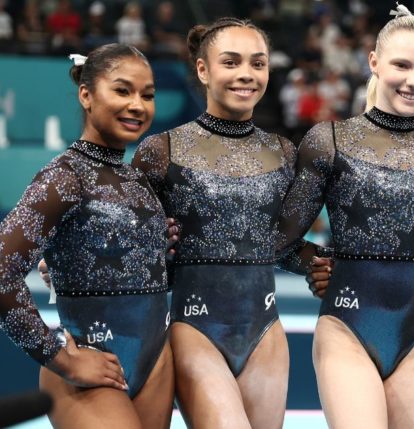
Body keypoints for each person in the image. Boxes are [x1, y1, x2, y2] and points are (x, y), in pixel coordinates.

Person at [277, 4, 414, 428]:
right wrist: (314, 264)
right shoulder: (330, 140)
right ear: (374, 63)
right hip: (348, 327)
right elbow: (279, 238)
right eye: (402, 65)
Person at [132, 17, 314, 429]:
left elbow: (280, 247)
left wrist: (324, 266)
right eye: (231, 62)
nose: (247, 74)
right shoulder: (162, 150)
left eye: (258, 63)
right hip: (195, 328)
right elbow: (132, 236)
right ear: (203, 70)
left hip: (265, 330)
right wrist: (66, 260)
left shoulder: (284, 152)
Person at [0, 44, 175, 429]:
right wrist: (61, 358)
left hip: (156, 359)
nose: (137, 105)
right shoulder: (64, 176)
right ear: (86, 95)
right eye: (122, 91)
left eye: (147, 94)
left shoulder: (138, 180)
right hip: (87, 360)